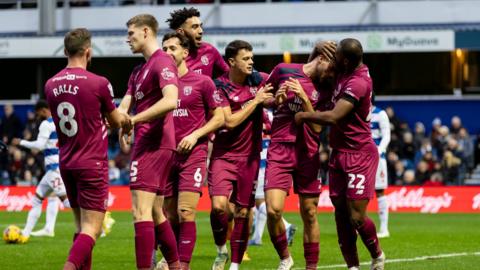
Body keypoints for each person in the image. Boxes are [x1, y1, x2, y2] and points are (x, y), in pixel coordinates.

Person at [44, 28, 131, 270]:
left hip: (67, 162)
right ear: (88, 51)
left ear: (65, 51)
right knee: (93, 229)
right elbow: (115, 122)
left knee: (81, 228)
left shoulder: (50, 85)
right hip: (91, 162)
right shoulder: (99, 83)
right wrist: (119, 117)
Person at [295, 38, 385, 270]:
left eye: (336, 56)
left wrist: (304, 116)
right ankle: (352, 267)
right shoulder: (343, 71)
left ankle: (377, 254)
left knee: (356, 216)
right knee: (340, 214)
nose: (331, 60)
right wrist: (315, 48)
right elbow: (310, 74)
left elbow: (334, 116)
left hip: (360, 155)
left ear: (345, 60)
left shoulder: (358, 83)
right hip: (339, 154)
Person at [118, 14, 181, 270]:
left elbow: (170, 101)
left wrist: (133, 120)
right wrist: (121, 124)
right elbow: (124, 105)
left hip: (155, 143)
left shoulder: (162, 62)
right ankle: (176, 266)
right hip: (148, 142)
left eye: (131, 34)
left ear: (146, 32)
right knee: (156, 213)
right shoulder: (138, 71)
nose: (127, 39)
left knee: (139, 212)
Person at [158, 32, 225, 269]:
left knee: (185, 212)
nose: (167, 53)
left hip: (192, 156)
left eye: (172, 48)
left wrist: (195, 135)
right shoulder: (160, 84)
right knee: (169, 215)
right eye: (164, 48)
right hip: (164, 156)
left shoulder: (202, 83)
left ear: (185, 53)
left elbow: (219, 118)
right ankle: (171, 259)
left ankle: (183, 265)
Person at [263, 50, 334, 270]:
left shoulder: (327, 88)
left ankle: (310, 267)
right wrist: (276, 100)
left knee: (310, 213)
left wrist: (304, 99)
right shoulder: (284, 70)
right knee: (273, 210)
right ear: (321, 59)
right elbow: (262, 98)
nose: (332, 73)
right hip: (280, 148)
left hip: (308, 153)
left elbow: (317, 127)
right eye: (331, 68)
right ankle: (285, 257)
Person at [208, 40, 273, 270]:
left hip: (250, 157)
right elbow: (230, 121)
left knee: (244, 211)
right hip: (223, 155)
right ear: (231, 62)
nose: (251, 62)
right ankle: (221, 250)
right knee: (219, 208)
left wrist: (280, 97)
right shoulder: (219, 86)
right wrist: (256, 101)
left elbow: (276, 94)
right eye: (246, 59)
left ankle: (235, 264)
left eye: (252, 58)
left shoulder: (259, 80)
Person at [10, 100, 70, 243]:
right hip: (58, 166)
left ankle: (100, 218)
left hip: (54, 169)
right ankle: (32, 232)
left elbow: (40, 145)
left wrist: (21, 142)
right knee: (39, 199)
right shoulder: (60, 122)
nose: (38, 116)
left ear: (43, 110)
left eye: (38, 113)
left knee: (68, 202)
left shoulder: (46, 124)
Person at [248, 109, 297, 247]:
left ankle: (286, 226)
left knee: (259, 202)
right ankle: (257, 238)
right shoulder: (272, 113)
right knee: (261, 201)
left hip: (261, 160)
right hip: (270, 158)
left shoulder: (261, 111)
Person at [166, 7, 229, 78]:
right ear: (181, 32)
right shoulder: (171, 57)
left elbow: (229, 75)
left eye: (200, 26)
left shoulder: (209, 50)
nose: (201, 31)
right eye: (194, 27)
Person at [370, 101, 391, 238]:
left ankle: (384, 229)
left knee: (379, 191)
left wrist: (379, 150)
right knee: (357, 193)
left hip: (377, 159)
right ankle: (357, 227)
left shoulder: (380, 114)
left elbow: (386, 136)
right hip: (360, 158)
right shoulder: (357, 113)